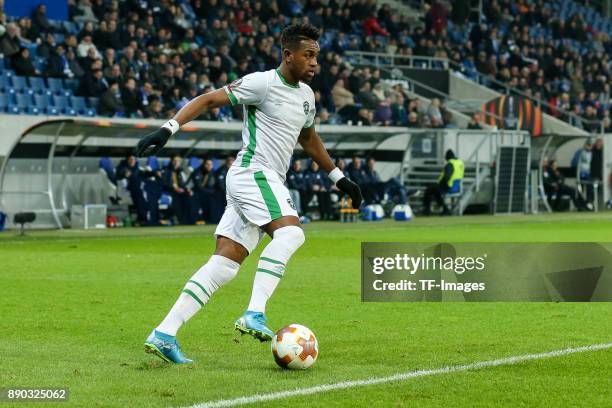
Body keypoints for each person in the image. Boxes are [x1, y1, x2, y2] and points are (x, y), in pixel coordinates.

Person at [134, 24, 362, 364]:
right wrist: (168, 129)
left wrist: (338, 177)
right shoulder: (263, 82)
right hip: (252, 173)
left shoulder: (306, 97)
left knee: (224, 265)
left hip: (264, 180)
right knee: (290, 234)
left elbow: (308, 139)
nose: (315, 63)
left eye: (317, 57)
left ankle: (164, 333)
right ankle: (254, 312)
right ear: (288, 55)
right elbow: (209, 99)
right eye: (308, 56)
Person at [423, 149, 464, 215]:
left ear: (447, 157)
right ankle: (444, 209)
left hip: (449, 186)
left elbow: (447, 177)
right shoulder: (460, 163)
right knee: (435, 190)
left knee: (430, 190)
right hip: (456, 186)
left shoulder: (450, 164)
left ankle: (427, 210)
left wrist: (440, 184)